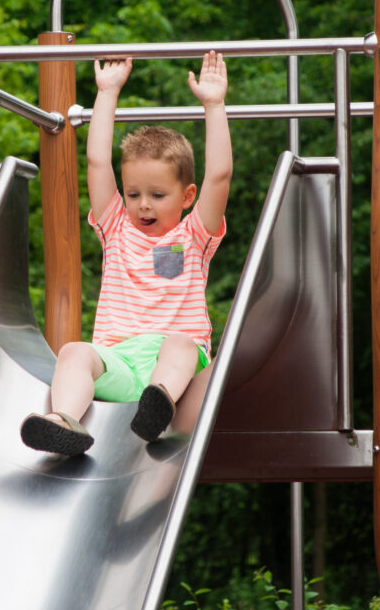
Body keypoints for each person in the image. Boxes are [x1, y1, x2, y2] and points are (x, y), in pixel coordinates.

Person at [20, 50, 233, 455]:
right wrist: (107, 92)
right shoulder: (116, 227)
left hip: (174, 370)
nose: (143, 205)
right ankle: (64, 421)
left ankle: (159, 404)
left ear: (188, 196)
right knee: (75, 351)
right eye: (133, 194)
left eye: (157, 195)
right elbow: (97, 161)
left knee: (181, 345)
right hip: (119, 360)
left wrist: (214, 104)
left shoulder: (195, 235)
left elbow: (219, 175)